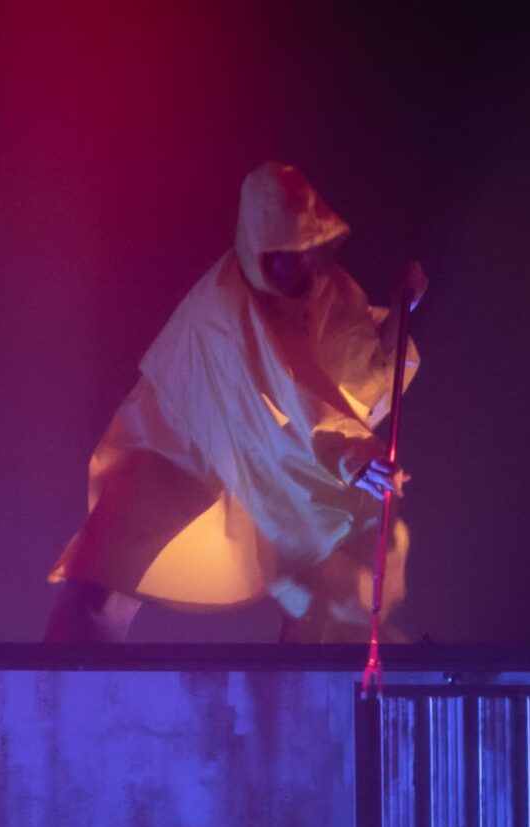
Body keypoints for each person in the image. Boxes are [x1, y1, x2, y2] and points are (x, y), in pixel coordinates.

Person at [43, 161, 422, 643]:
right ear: (258, 248)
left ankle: (314, 674)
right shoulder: (225, 304)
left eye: (304, 251)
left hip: (268, 459)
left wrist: (400, 313)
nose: (296, 269)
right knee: (103, 573)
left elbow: (358, 380)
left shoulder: (330, 292)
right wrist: (351, 453)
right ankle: (63, 675)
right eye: (281, 256)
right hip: (180, 443)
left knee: (334, 564)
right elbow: (283, 385)